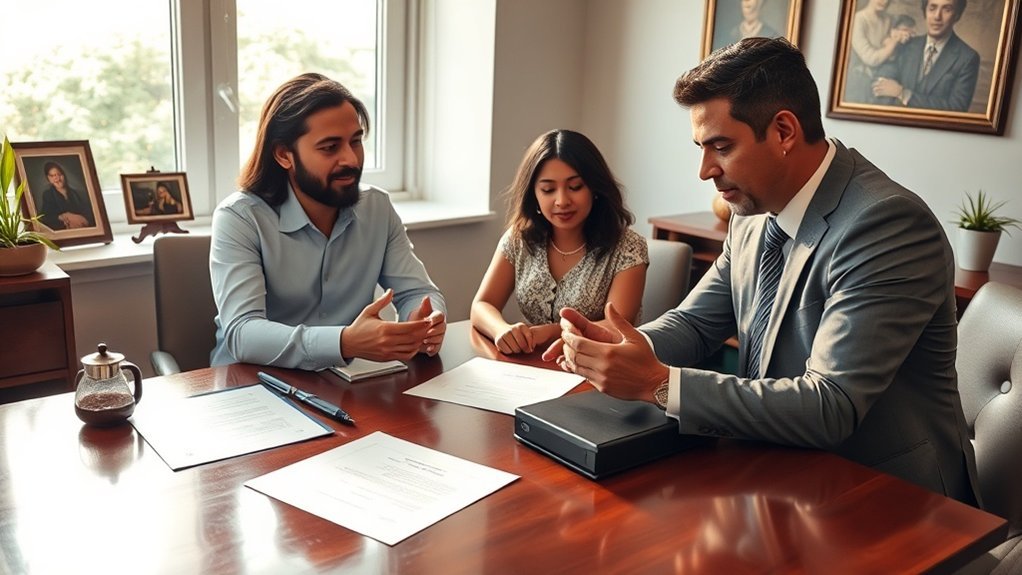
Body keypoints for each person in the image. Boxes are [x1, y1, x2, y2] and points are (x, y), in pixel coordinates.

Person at [544, 37, 979, 505]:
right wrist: (629, 346)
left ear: (784, 132)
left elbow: (830, 405)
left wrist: (657, 383)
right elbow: (696, 322)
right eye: (701, 148)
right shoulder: (751, 213)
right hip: (776, 473)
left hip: (886, 497)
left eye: (721, 147)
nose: (705, 170)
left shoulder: (887, 224)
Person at [210, 73, 447, 370]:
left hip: (345, 383)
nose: (351, 159)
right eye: (330, 147)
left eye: (356, 141)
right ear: (284, 154)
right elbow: (242, 333)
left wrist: (424, 320)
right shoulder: (240, 218)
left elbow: (417, 292)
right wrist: (345, 341)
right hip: (252, 384)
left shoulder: (377, 207)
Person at [470, 129, 648, 355]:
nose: (562, 201)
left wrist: (548, 332)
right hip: (533, 367)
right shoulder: (519, 239)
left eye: (575, 187)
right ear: (534, 193)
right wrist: (502, 330)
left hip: (602, 370)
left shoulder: (628, 248)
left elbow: (618, 327)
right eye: (548, 189)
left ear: (594, 188)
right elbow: (481, 305)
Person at [872, 0, 979, 111]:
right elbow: (880, 84)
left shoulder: (967, 58)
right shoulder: (907, 44)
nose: (937, 17)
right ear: (925, 11)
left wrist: (903, 94)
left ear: (957, 15)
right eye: (932, 8)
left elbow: (956, 109)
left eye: (947, 9)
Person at [845, 0, 914, 104]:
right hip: (861, 80)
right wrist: (894, 41)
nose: (884, 1)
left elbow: (892, 53)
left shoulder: (887, 19)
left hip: (882, 75)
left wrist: (901, 35)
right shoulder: (858, 20)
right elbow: (871, 59)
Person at [38, 161, 94, 230]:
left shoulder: (74, 193)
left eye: (59, 174)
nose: (57, 178)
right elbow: (45, 217)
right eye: (52, 176)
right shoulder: (47, 195)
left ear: (64, 175)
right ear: (48, 178)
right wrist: (63, 216)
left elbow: (87, 212)